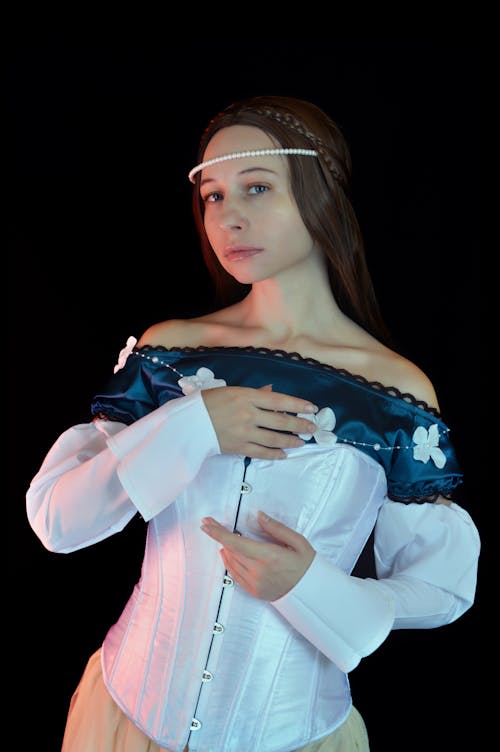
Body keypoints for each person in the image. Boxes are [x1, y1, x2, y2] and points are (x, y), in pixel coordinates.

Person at [26, 95, 480, 752]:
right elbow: (58, 521)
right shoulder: (170, 355)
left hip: (298, 734)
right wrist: (192, 426)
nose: (228, 216)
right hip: (123, 718)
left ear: (320, 193)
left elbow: (441, 586)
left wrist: (314, 589)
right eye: (212, 196)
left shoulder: (394, 395)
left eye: (257, 188)